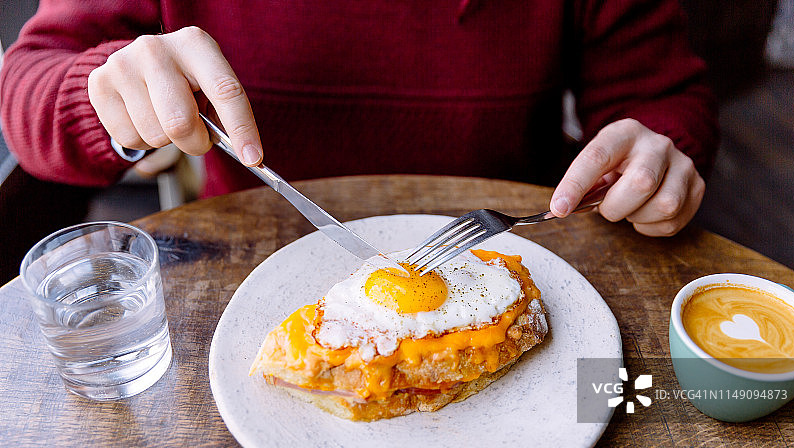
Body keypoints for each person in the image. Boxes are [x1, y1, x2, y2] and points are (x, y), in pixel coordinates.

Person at [0, 0, 718, 237]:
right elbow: (25, 91)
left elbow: (660, 97)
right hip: (251, 266)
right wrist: (109, 97)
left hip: (522, 251)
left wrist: (659, 154)